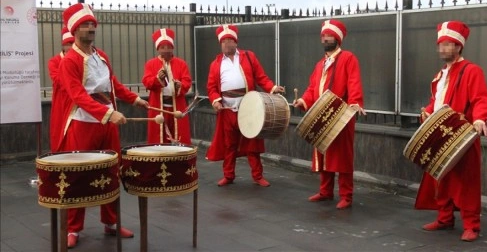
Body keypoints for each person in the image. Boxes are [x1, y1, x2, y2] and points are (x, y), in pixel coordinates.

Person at [55, 3, 149, 248]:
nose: (90, 28)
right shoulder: (70, 61)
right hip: (83, 124)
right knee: (79, 175)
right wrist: (108, 114)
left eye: (92, 24)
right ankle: (73, 228)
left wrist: (135, 99)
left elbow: (113, 85)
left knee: (111, 171)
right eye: (85, 25)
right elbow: (79, 97)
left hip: (106, 123)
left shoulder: (101, 55)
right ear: (75, 30)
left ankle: (112, 222)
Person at [415, 20, 487, 242]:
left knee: (466, 181)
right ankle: (445, 218)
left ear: (459, 46)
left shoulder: (471, 70)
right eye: (441, 44)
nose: (443, 49)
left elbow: (481, 98)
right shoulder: (441, 74)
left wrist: (479, 119)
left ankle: (472, 225)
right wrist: (427, 111)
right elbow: (436, 101)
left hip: (462, 135)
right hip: (440, 134)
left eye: (448, 44)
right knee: (441, 178)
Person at [293, 19, 365, 210]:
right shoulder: (320, 65)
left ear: (338, 38)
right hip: (321, 115)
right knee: (323, 153)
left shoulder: (349, 58)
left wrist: (355, 103)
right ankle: (325, 192)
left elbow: (354, 83)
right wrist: (303, 100)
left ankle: (346, 196)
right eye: (324, 35)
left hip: (341, 114)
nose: (325, 38)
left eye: (329, 35)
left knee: (342, 156)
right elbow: (312, 88)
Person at [206, 24, 285, 187]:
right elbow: (212, 87)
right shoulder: (215, 64)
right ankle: (228, 175)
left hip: (248, 108)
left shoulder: (249, 56)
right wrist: (215, 100)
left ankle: (257, 176)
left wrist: (272, 88)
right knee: (229, 145)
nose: (227, 43)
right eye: (224, 41)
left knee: (252, 144)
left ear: (236, 42)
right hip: (227, 110)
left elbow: (261, 77)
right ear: (220, 44)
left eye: (230, 40)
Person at [142, 28, 192, 144]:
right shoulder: (151, 64)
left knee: (179, 137)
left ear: (172, 48)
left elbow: (187, 81)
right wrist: (157, 79)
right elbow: (146, 82)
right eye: (162, 47)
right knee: (159, 139)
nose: (166, 50)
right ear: (158, 49)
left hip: (177, 106)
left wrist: (180, 85)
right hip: (158, 107)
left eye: (168, 47)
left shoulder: (181, 63)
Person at [48, 27, 74, 152]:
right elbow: (59, 80)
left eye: (73, 43)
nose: (71, 47)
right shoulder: (54, 61)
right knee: (60, 130)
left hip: (78, 101)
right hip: (62, 102)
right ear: (63, 46)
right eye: (68, 44)